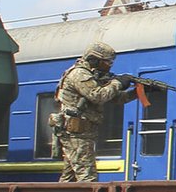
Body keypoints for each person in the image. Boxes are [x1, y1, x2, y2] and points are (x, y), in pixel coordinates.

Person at [51, 41, 136, 181]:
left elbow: (115, 99)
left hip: (82, 134)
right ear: (94, 60)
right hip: (76, 134)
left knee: (69, 178)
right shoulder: (79, 74)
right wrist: (118, 83)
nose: (110, 65)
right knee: (87, 177)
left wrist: (138, 92)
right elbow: (98, 96)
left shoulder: (92, 75)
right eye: (107, 62)